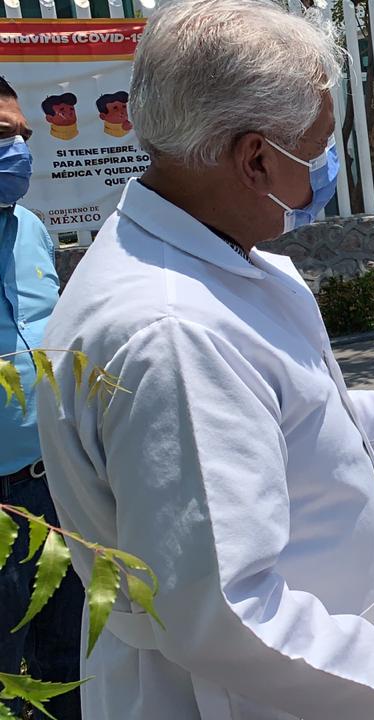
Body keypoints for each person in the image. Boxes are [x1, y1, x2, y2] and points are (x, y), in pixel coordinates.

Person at [34, 3, 374, 719]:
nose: (326, 168)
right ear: (256, 158)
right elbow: (227, 614)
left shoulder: (208, 258)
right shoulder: (174, 333)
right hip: (236, 699)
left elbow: (263, 420)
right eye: (318, 147)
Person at [0, 75, 84, 720]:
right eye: (4, 135)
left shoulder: (30, 227)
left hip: (56, 484)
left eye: (24, 135)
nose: (20, 150)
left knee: (70, 660)